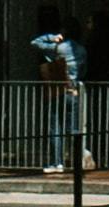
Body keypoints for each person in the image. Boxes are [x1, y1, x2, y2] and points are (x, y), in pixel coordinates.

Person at [29, 9, 88, 176]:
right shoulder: (82, 50)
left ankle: (57, 162)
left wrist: (52, 37)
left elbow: (34, 43)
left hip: (57, 89)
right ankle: (78, 162)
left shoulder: (58, 48)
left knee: (56, 127)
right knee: (75, 128)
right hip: (73, 90)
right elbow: (84, 71)